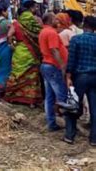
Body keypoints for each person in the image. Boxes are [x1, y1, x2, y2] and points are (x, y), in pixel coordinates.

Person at [64, 16, 96, 145]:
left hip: (80, 77)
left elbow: (71, 60)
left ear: (83, 25)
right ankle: (94, 139)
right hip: (95, 77)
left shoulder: (76, 40)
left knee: (73, 105)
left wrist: (68, 76)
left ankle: (70, 135)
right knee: (95, 109)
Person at [5, 0, 43, 106]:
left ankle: (13, 97)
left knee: (17, 74)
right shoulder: (34, 21)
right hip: (32, 52)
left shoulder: (16, 23)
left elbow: (9, 36)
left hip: (20, 51)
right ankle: (31, 101)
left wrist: (12, 45)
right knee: (32, 76)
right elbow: (40, 34)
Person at [38, 12, 68, 131]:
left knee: (50, 97)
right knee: (62, 95)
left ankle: (51, 123)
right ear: (50, 20)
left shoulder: (44, 31)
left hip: (46, 65)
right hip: (53, 66)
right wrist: (62, 66)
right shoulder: (51, 32)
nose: (57, 21)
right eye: (55, 19)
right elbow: (54, 50)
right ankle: (68, 125)